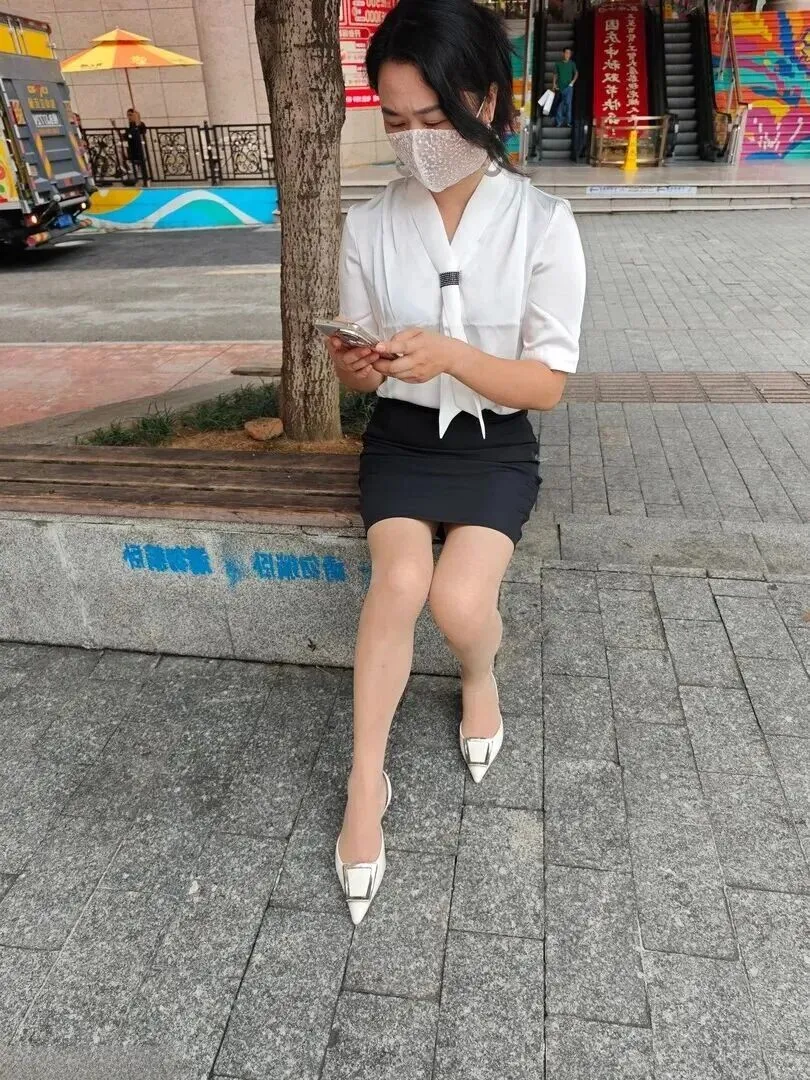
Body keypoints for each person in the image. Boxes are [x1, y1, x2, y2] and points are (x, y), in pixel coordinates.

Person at [325, 0, 586, 925]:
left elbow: (546, 385)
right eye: (395, 121)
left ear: (483, 100)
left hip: (493, 442)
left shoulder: (542, 221)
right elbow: (357, 369)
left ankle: (479, 676)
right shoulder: (369, 224)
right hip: (401, 437)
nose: (413, 142)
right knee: (399, 582)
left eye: (432, 118)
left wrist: (452, 355)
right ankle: (365, 781)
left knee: (461, 603)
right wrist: (357, 366)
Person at [121, 108, 149, 185]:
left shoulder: (139, 125)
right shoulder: (130, 126)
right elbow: (126, 137)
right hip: (132, 150)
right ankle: (135, 181)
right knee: (133, 167)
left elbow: (142, 129)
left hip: (139, 149)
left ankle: (145, 181)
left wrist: (138, 117)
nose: (129, 117)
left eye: (130, 115)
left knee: (142, 167)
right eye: (128, 115)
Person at [553, 47, 578, 128]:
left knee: (568, 104)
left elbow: (576, 73)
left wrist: (572, 82)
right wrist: (554, 84)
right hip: (560, 87)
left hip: (568, 87)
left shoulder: (572, 63)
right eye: (566, 53)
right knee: (560, 104)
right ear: (563, 53)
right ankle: (559, 121)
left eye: (569, 53)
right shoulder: (558, 64)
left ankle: (568, 121)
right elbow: (555, 74)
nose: (568, 55)